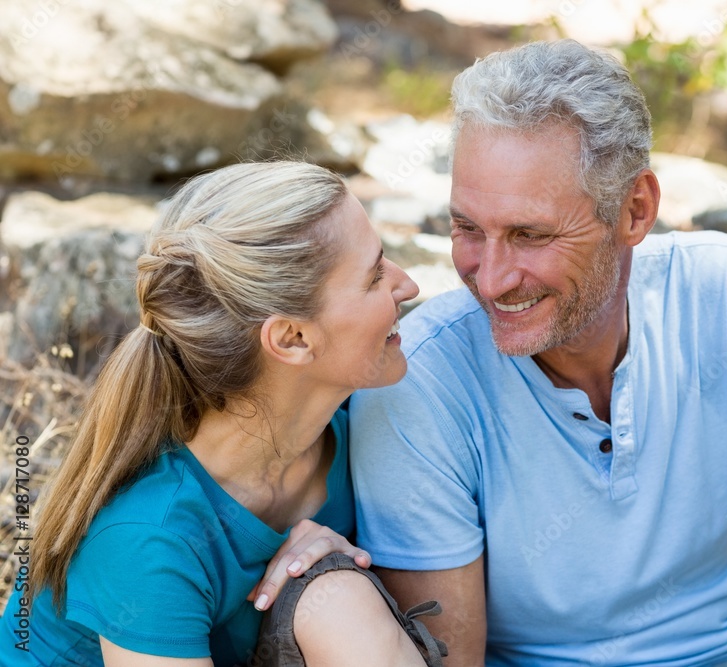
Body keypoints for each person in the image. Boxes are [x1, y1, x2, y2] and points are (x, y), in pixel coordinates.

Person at [348, 40, 727, 666]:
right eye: (468, 229)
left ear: (635, 211)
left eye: (530, 235)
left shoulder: (726, 289)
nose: (492, 277)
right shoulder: (418, 380)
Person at [0, 162, 436, 666]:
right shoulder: (147, 537)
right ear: (292, 338)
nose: (408, 286)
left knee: (339, 599)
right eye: (375, 275)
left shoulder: (359, 427)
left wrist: (335, 568)